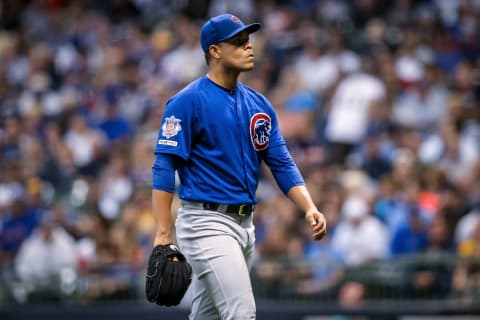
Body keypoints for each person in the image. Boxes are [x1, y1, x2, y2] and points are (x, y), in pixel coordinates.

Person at [151, 13, 327, 320]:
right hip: (206, 222)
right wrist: (163, 233)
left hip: (246, 226)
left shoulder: (259, 104)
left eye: (248, 40)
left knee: (209, 315)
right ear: (215, 51)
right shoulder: (187, 101)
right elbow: (164, 166)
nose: (249, 47)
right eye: (238, 42)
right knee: (241, 312)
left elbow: (281, 162)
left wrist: (309, 206)